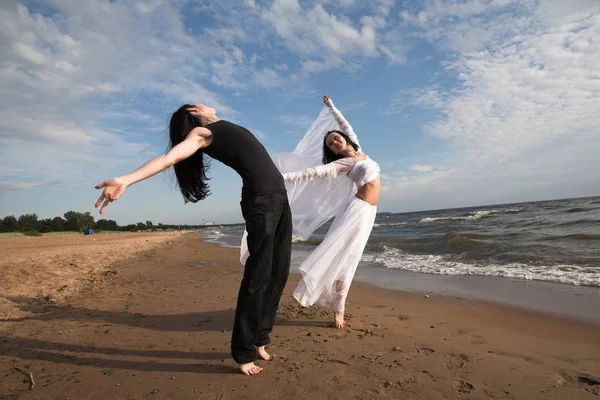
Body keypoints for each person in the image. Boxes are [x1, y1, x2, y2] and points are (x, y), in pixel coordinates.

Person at [94, 104, 292, 375]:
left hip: (280, 198)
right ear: (194, 110)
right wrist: (126, 179)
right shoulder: (202, 133)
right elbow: (169, 158)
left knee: (278, 271)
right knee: (258, 276)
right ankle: (244, 352)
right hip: (262, 202)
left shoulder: (224, 125)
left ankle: (260, 338)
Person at [280, 94, 380, 329]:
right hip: (356, 211)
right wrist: (282, 177)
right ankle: (339, 311)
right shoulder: (343, 164)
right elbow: (310, 173)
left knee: (350, 259)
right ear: (333, 151)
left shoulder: (360, 152)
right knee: (346, 259)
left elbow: (346, 125)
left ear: (344, 138)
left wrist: (331, 107)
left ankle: (339, 306)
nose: (335, 142)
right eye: (331, 144)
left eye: (336, 138)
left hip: (369, 213)